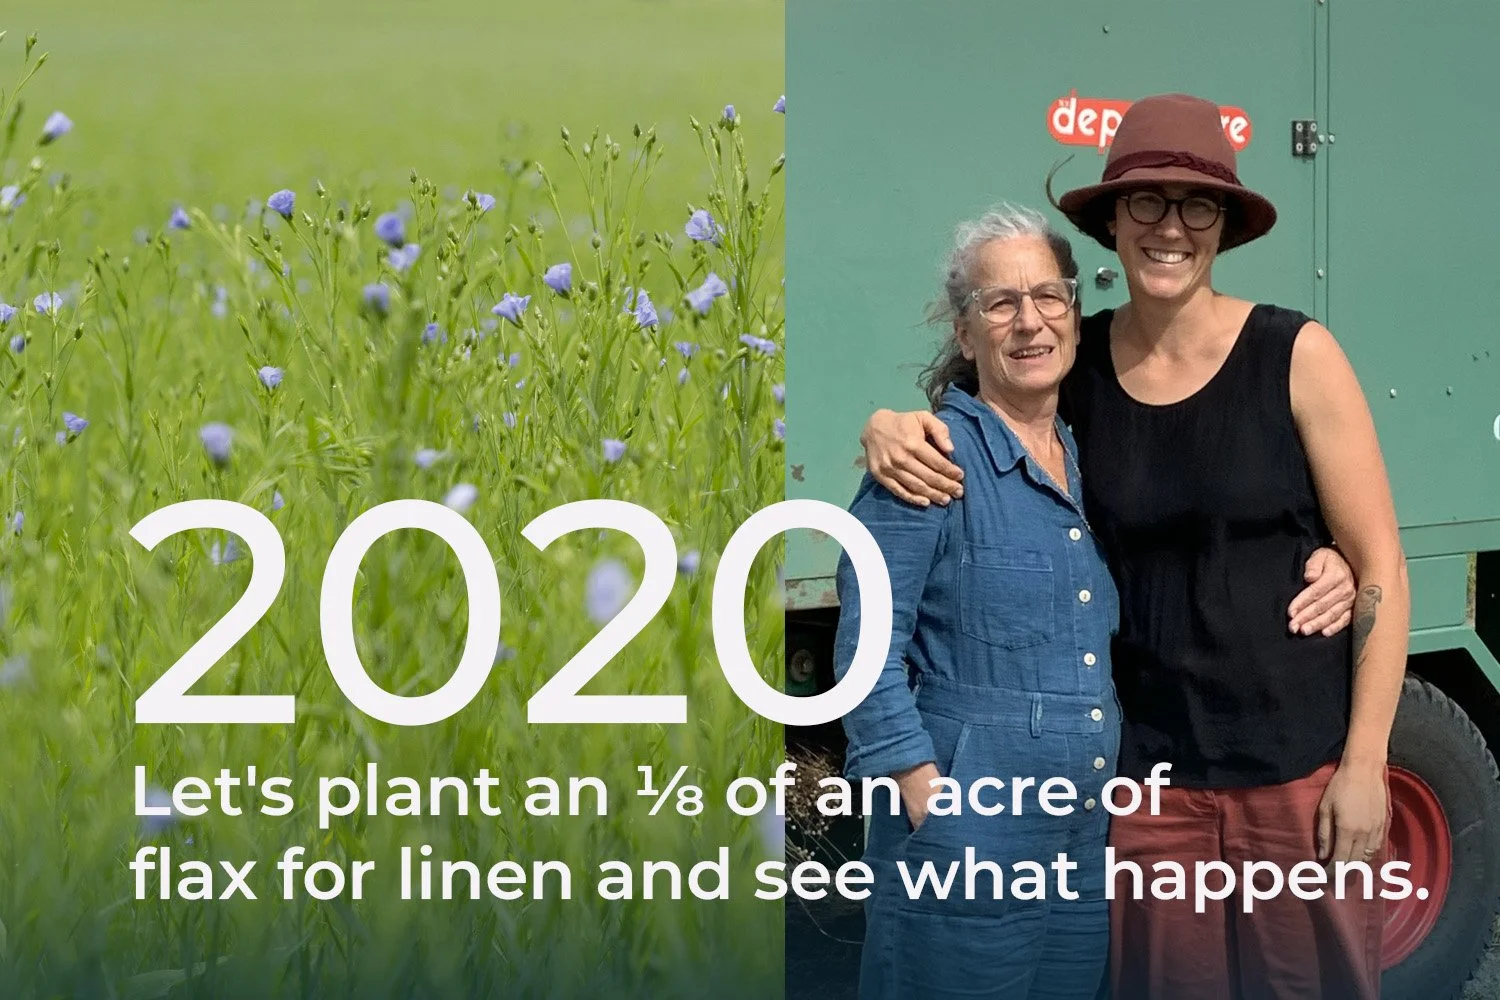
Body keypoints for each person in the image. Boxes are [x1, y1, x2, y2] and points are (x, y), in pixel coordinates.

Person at [855, 93, 1408, 1000]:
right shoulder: (1076, 368)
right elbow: (982, 414)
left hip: (1296, 776)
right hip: (1146, 794)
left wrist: (1364, 765)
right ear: (1112, 221)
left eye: (1198, 205)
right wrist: (885, 427)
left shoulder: (1296, 354)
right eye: (1146, 201)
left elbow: (1380, 561)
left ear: (1224, 226)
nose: (1170, 227)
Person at [832, 203, 1120, 999]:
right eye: (1000, 303)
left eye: (1049, 296)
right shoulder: (930, 461)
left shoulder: (1084, 455)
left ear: (1074, 314)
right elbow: (864, 652)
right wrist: (929, 799)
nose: (1029, 321)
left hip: (1079, 839)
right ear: (965, 333)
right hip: (967, 841)